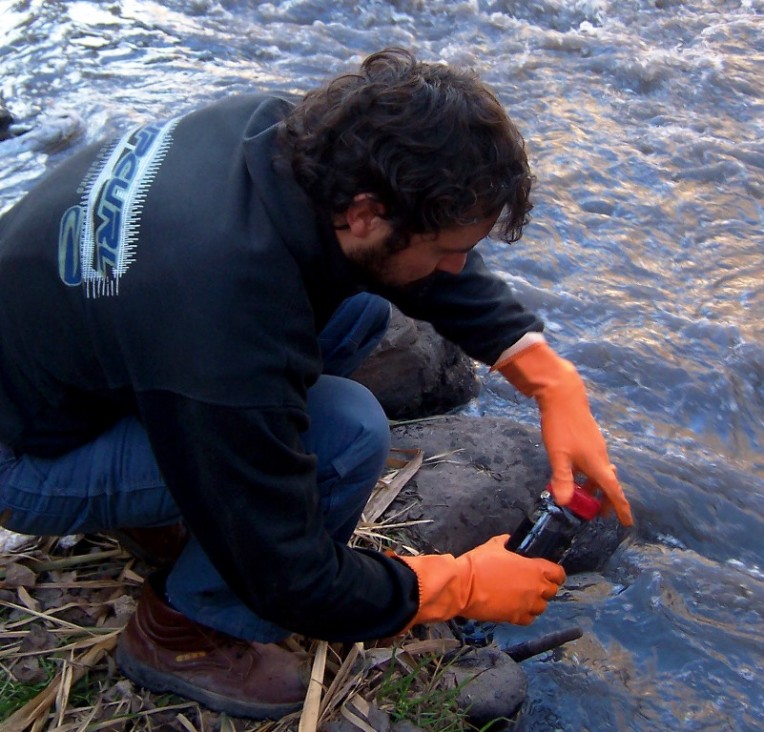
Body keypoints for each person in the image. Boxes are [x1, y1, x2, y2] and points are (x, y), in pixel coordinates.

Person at [0, 48, 633, 719]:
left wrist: (550, 381)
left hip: (72, 354)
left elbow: (422, 259)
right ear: (366, 212)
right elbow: (291, 575)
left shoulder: (275, 132)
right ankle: (181, 630)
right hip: (25, 455)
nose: (456, 267)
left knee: (357, 309)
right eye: (448, 247)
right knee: (347, 433)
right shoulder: (224, 313)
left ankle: (185, 499)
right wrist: (460, 585)